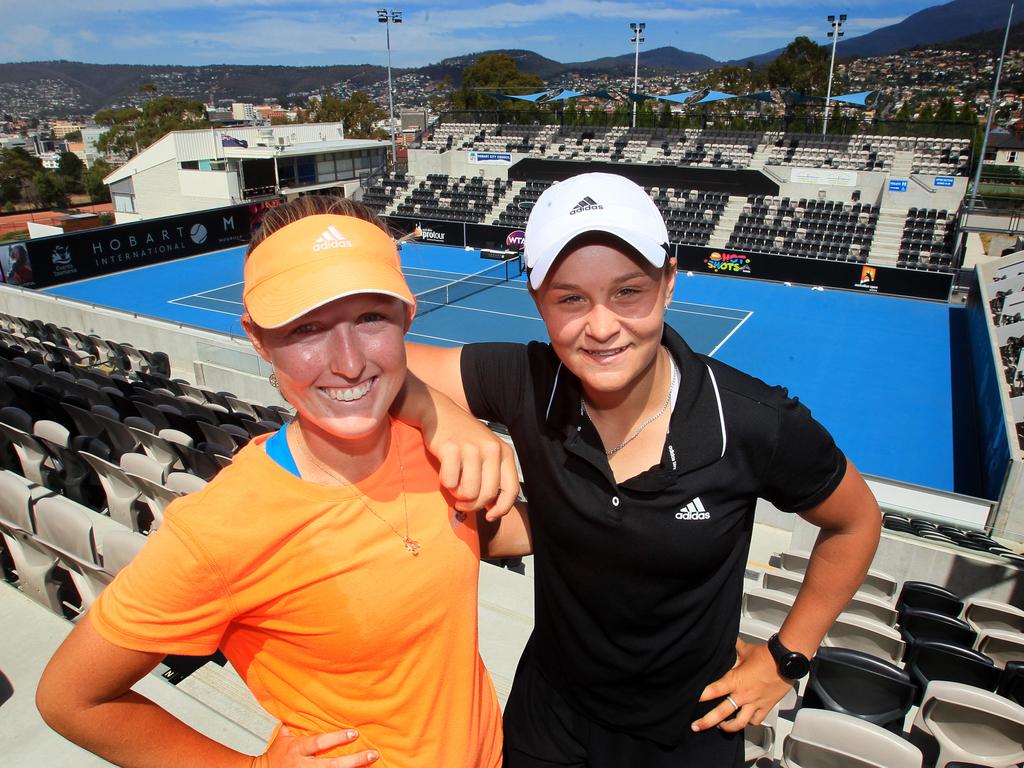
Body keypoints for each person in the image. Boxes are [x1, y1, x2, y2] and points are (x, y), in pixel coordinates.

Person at [407, 172, 882, 767]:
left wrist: (787, 659)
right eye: (570, 298)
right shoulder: (527, 382)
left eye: (627, 291)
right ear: (538, 302)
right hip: (548, 720)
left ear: (669, 282)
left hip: (689, 733)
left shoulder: (754, 420)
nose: (601, 327)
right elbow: (364, 363)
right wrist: (443, 418)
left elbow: (857, 522)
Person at [36, 197, 519, 768]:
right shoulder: (220, 532)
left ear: (406, 322)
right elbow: (70, 700)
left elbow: (465, 537)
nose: (348, 362)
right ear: (257, 340)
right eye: (306, 328)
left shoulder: (432, 446)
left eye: (371, 318)